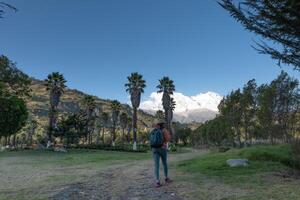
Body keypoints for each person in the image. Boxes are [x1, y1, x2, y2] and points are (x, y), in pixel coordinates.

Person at [150, 122, 173, 188]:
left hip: (154, 149)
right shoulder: (164, 130)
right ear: (162, 125)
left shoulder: (153, 131)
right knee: (164, 163)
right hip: (162, 149)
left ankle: (157, 181)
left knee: (156, 165)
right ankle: (166, 178)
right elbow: (168, 139)